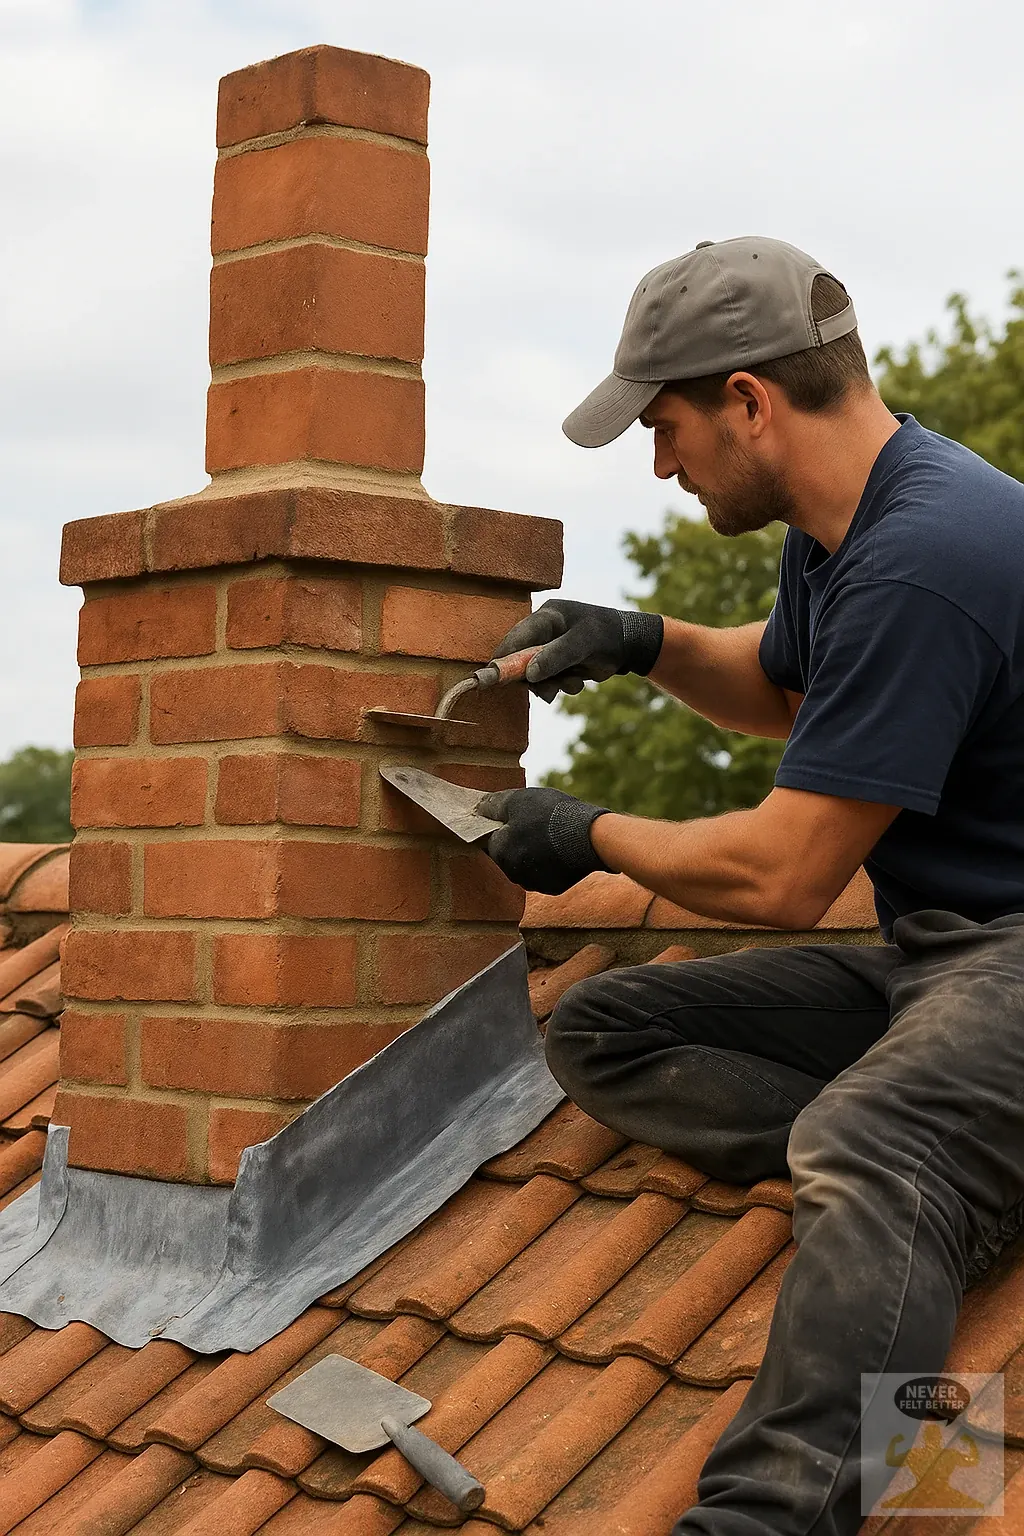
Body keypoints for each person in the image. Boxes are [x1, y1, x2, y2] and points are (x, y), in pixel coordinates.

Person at [477, 237, 1024, 1536]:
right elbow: (788, 692)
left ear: (748, 400)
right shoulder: (852, 529)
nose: (658, 465)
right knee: (612, 1027)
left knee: (868, 1139)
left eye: (663, 429)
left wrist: (589, 833)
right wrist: (639, 644)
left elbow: (786, 876)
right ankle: (955, 1194)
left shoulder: (924, 558)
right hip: (948, 959)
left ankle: (771, 1515)